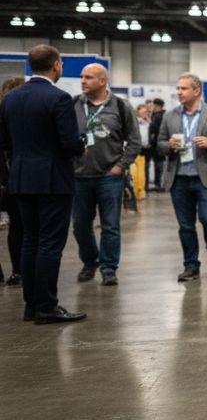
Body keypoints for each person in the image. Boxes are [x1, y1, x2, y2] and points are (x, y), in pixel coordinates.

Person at [0, 46, 86, 323]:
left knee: (30, 241)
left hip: (21, 178)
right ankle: (47, 306)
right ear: (57, 66)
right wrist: (81, 144)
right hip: (53, 180)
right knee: (50, 244)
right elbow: (70, 143)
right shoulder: (59, 99)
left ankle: (31, 305)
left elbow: (4, 142)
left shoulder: (10, 98)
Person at [159, 73, 207, 282]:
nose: (179, 92)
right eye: (178, 88)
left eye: (183, 89)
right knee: (185, 225)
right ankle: (191, 265)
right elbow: (160, 144)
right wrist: (170, 146)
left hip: (206, 177)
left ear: (197, 91)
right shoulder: (170, 115)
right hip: (179, 178)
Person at [71, 63, 141, 287]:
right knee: (80, 225)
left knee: (110, 225)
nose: (83, 81)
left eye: (88, 77)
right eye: (82, 77)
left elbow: (135, 141)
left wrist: (120, 166)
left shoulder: (120, 106)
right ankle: (90, 261)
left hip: (110, 177)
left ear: (102, 81)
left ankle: (109, 268)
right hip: (79, 176)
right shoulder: (73, 104)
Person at [0, 77, 26, 287]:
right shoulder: (18, 117)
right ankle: (18, 271)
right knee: (18, 226)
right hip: (13, 179)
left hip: (7, 178)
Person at [146, 98, 166, 191]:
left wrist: (151, 138)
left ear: (157, 106)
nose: (151, 107)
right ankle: (157, 184)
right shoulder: (157, 115)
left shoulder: (159, 116)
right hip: (157, 144)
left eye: (153, 105)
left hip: (157, 145)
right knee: (158, 165)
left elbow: (153, 129)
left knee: (159, 165)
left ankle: (158, 184)